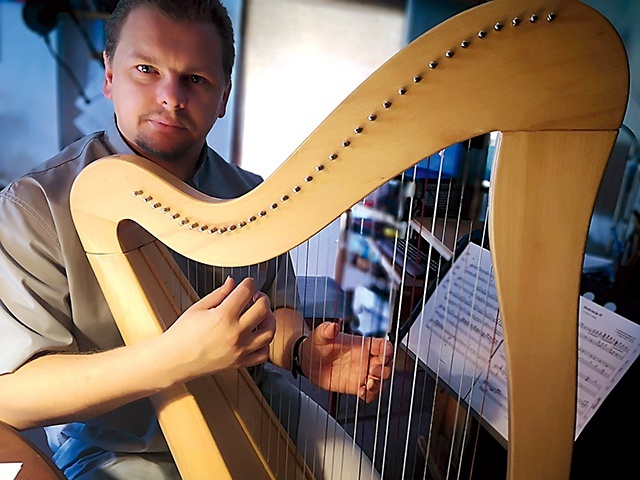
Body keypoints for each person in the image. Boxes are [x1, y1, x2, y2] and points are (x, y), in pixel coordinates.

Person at [0, 1, 393, 479]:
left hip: (258, 407)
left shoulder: (253, 198)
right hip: (121, 451)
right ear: (109, 76)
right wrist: (173, 360)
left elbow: (278, 311)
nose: (171, 96)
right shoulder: (35, 206)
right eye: (146, 69)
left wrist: (302, 351)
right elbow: (11, 397)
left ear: (223, 97)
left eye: (196, 79)